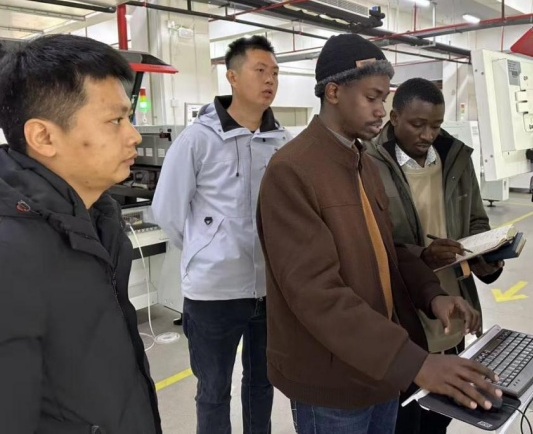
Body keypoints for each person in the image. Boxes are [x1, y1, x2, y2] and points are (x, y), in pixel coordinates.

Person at [256, 34, 501, 434]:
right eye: (372, 97)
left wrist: (433, 295)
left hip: (381, 369)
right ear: (333, 92)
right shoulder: (292, 171)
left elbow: (389, 252)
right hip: (333, 383)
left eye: (384, 98)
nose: (381, 110)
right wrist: (416, 362)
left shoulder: (363, 164)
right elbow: (316, 293)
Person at [0, 34, 161, 433]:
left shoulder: (98, 217)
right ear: (44, 137)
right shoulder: (11, 253)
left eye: (129, 118)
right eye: (115, 121)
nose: (134, 136)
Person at [152, 35, 290, 434]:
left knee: (262, 384)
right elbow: (167, 210)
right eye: (260, 70)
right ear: (232, 76)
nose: (270, 80)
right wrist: (207, 248)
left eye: (275, 72)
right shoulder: (198, 139)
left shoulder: (281, 141)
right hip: (213, 293)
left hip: (268, 290)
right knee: (213, 391)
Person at [365, 77, 504, 434]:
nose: (427, 134)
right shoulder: (369, 162)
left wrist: (487, 253)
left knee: (438, 418)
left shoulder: (457, 159)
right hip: (403, 311)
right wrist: (422, 256)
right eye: (417, 124)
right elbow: (371, 242)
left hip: (453, 307)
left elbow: (476, 220)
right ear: (394, 117)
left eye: (436, 125)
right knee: (403, 417)